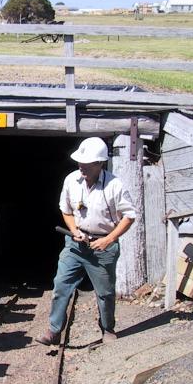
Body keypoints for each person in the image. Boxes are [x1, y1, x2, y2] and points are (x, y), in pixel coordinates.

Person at [36, 137, 136, 346]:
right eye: (80, 162)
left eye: (87, 163)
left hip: (102, 247)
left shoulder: (114, 185)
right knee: (61, 285)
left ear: (100, 164)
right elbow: (66, 210)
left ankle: (108, 328)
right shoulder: (72, 180)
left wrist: (109, 239)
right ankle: (54, 330)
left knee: (105, 293)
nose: (81, 166)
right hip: (75, 244)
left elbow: (129, 216)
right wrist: (73, 231)